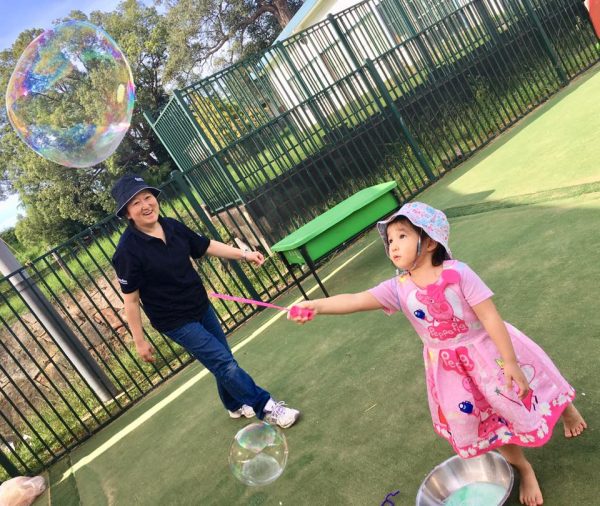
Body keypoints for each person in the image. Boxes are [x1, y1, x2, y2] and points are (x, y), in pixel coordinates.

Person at [289, 201, 586, 506]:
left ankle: (567, 410)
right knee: (493, 420)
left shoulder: (458, 274)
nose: (393, 245)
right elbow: (355, 299)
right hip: (452, 372)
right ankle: (523, 468)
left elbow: (490, 317)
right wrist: (316, 306)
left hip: (490, 351)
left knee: (528, 385)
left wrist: (510, 361)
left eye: (402, 236)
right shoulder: (398, 287)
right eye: (390, 240)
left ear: (429, 241)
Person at [110, 174, 300, 428]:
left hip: (200, 305)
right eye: (136, 203)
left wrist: (244, 254)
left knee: (222, 358)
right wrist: (139, 341)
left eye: (148, 197)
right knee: (224, 364)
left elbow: (206, 245)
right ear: (127, 214)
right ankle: (266, 407)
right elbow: (131, 301)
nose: (145, 205)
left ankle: (233, 405)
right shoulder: (127, 251)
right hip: (174, 320)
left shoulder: (173, 226)